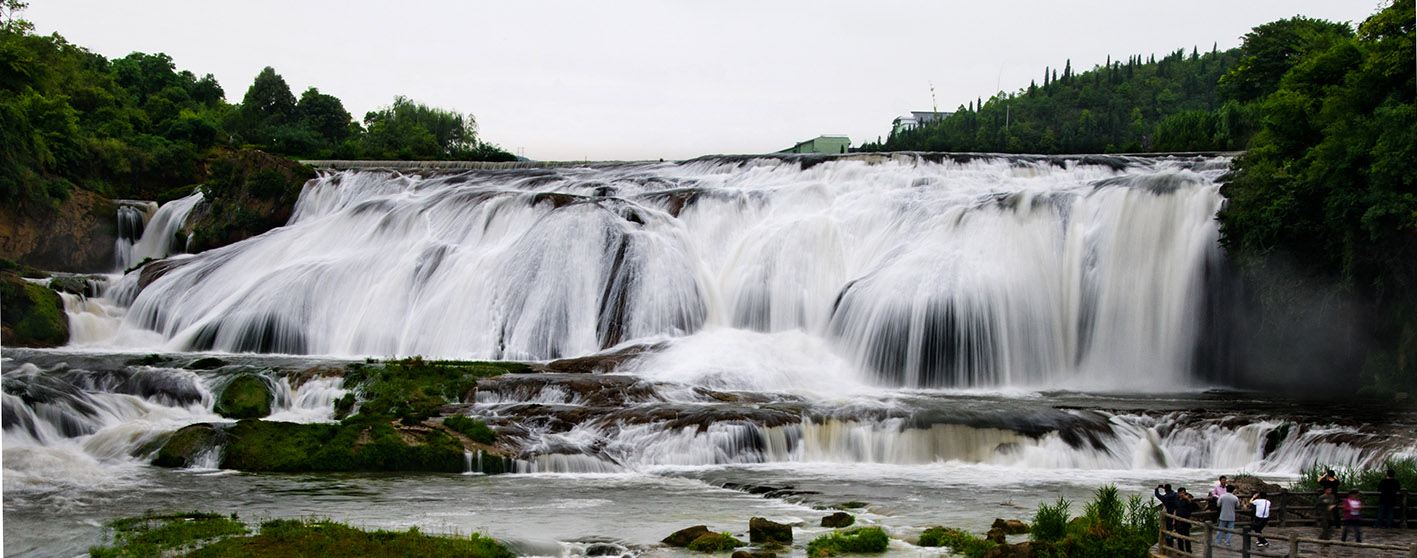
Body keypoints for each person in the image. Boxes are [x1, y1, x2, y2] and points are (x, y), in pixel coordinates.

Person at [1174, 488, 1195, 553]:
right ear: (1178, 493)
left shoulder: (1187, 500)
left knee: (1186, 536)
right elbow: (1175, 510)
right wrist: (1174, 520)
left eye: (1183, 492)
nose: (1182, 494)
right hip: (1178, 521)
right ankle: (1181, 550)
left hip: (1185, 520)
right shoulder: (1177, 500)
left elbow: (1190, 505)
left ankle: (1188, 550)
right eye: (1180, 493)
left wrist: (1187, 499)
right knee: (1179, 537)